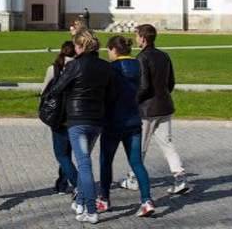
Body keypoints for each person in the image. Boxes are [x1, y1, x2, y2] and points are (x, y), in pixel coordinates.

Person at [48, 28, 115, 224]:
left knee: (84, 165)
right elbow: (111, 93)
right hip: (96, 120)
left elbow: (57, 88)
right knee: (84, 162)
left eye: (76, 45)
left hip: (77, 120)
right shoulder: (105, 66)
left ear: (80, 46)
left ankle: (91, 209)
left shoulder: (75, 65)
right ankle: (83, 203)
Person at [124, 24, 190, 195]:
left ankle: (133, 178)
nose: (136, 39)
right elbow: (171, 82)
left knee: (140, 146)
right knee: (167, 144)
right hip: (165, 105)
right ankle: (180, 176)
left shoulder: (141, 58)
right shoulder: (164, 55)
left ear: (143, 38)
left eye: (137, 36)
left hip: (147, 110)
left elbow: (144, 86)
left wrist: (133, 100)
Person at [97, 35, 155, 218]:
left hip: (113, 121)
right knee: (136, 162)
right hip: (133, 119)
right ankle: (146, 200)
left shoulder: (110, 68)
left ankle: (104, 199)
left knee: (106, 161)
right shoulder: (138, 64)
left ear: (114, 49)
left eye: (109, 50)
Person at [43, 40, 78, 195]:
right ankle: (62, 183)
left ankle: (78, 184)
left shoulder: (53, 68)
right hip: (75, 114)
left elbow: (44, 90)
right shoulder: (79, 67)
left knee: (61, 154)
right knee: (67, 152)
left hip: (58, 115)